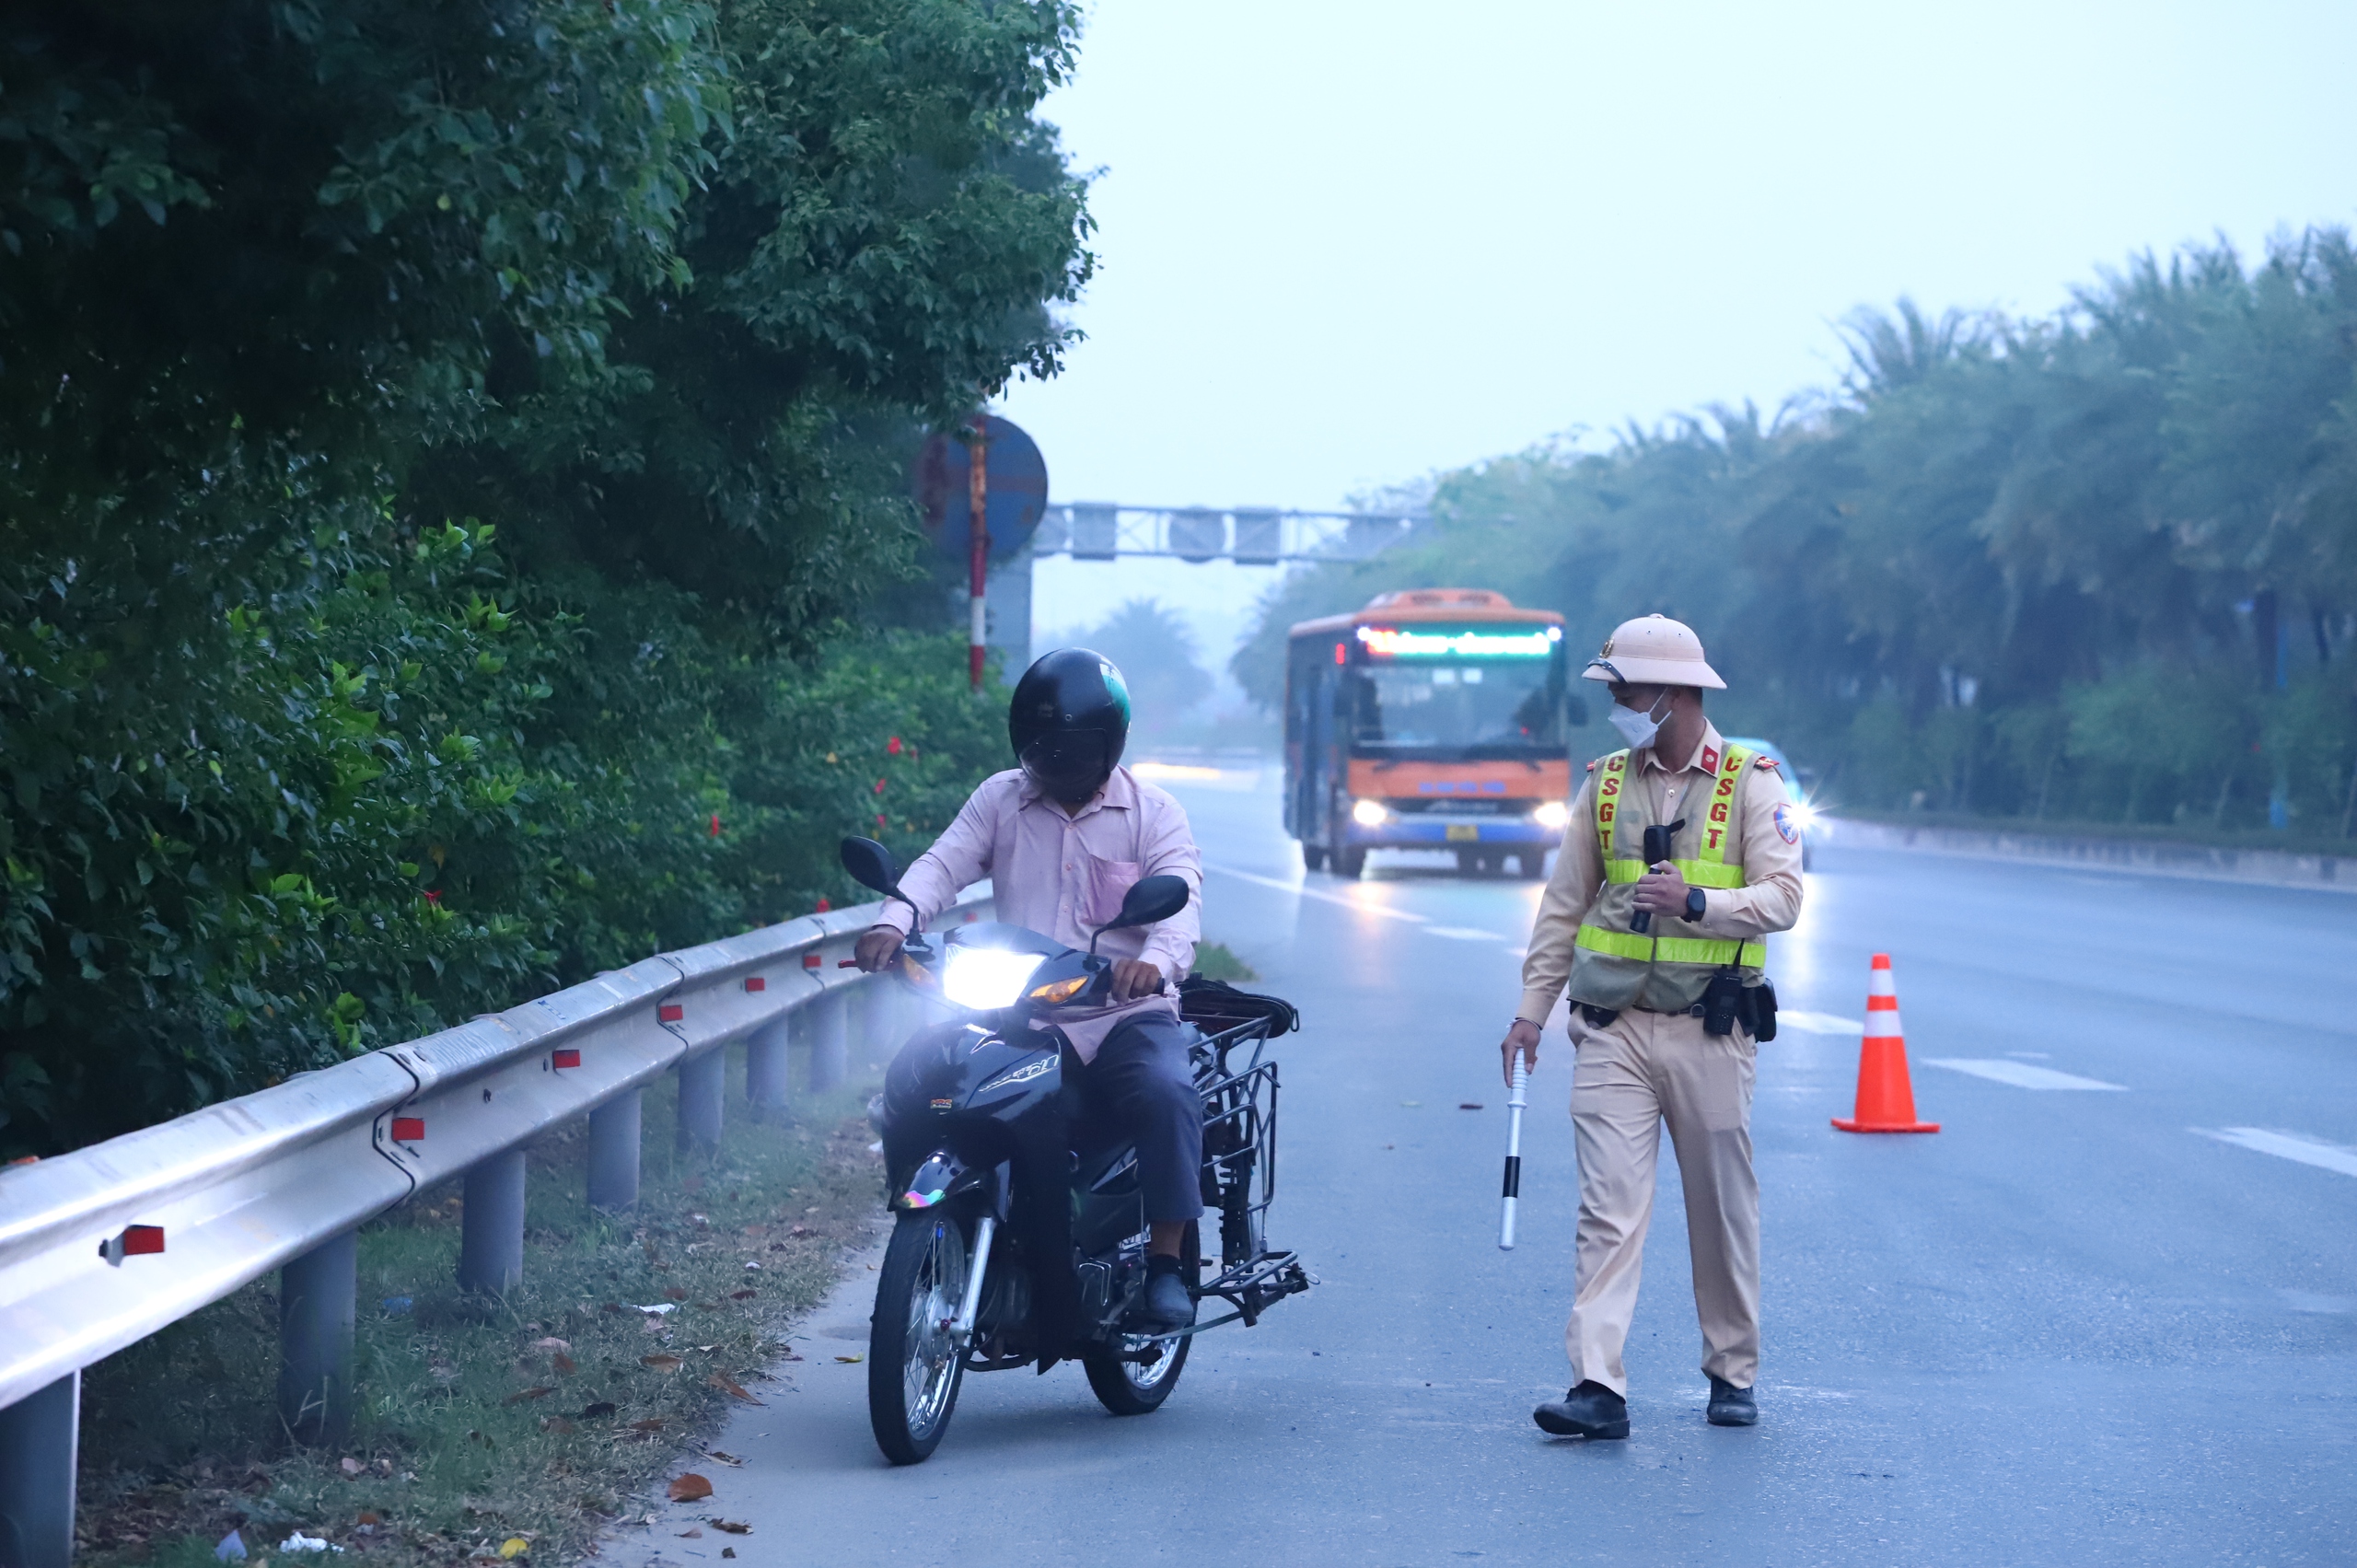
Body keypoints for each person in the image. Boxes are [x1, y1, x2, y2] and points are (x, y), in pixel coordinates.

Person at [1500, 613, 1803, 1437]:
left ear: (1674, 695)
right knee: (1609, 1209)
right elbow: (1563, 909)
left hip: (1710, 1030)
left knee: (1721, 1207)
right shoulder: (1604, 783)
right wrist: (1531, 1013)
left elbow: (1784, 898)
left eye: (1628, 689)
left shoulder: (1752, 780)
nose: (1620, 703)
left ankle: (1731, 1371)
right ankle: (1598, 1385)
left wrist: (1700, 903)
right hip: (1613, 1030)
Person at [853, 647, 1205, 1331]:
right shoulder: (1001, 798)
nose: (1058, 763)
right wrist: (895, 921)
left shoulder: (1153, 813)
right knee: (919, 1078)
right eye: (1045, 748)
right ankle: (965, 1227)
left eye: (1073, 749)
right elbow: (942, 863)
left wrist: (1155, 961)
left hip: (1121, 1011)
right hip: (1022, 1011)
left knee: (1167, 1091)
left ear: (1109, 743)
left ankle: (1165, 1262)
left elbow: (1182, 898)